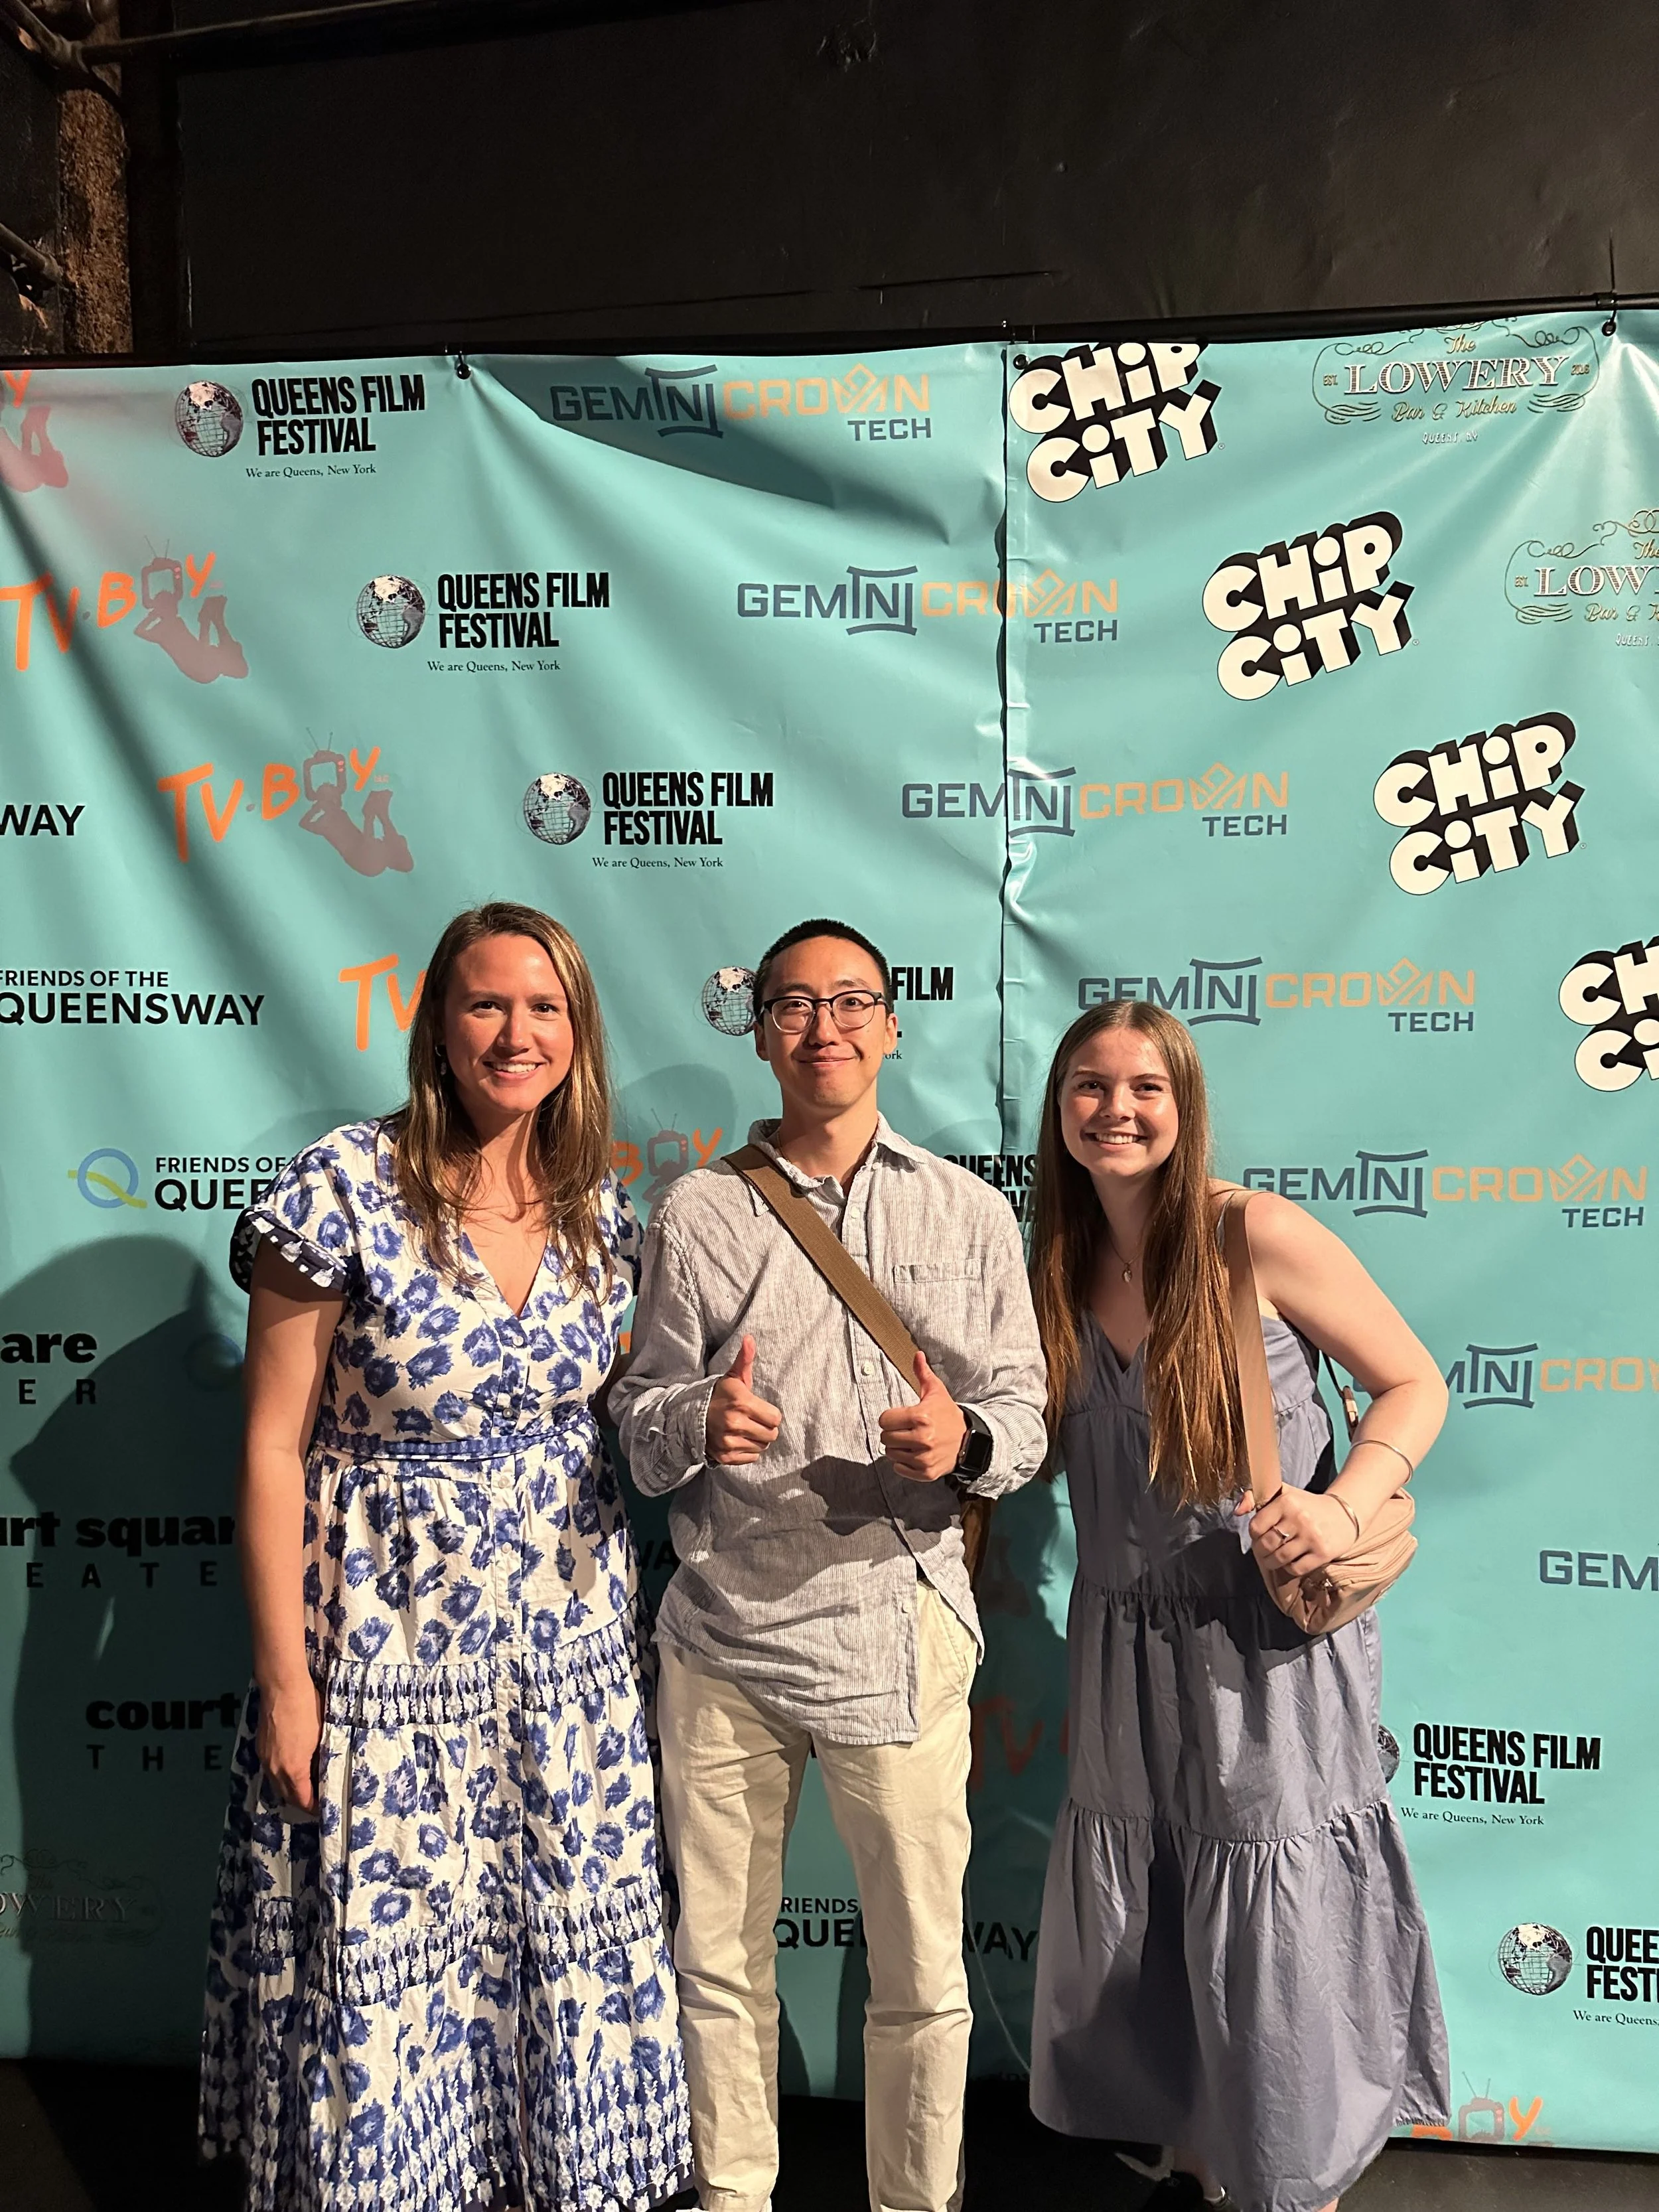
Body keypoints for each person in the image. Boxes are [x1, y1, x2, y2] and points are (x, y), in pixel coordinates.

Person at [200, 901, 693, 2212]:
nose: (515, 1034)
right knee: (398, 1948)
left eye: (544, 1008)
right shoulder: (342, 1189)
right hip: (385, 1649)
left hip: (568, 1657)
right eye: (486, 1004)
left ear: (577, 1032)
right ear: (438, 1025)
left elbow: (618, 1409)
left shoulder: (600, 1207)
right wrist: (288, 1684)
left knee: (553, 1931)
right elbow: (270, 1449)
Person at [611, 918, 1048, 2212]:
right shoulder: (698, 1209)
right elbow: (639, 1419)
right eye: (794, 1004)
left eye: (852, 1001)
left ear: (892, 1026)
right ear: (760, 1034)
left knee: (920, 1970)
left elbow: (1024, 1417)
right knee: (716, 1957)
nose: (825, 1026)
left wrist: (963, 1441)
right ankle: (731, 2192)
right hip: (722, 1631)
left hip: (896, 1623)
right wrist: (699, 1418)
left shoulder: (966, 1209)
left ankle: (915, 2200)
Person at [1026, 1000, 1449, 2212]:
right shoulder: (1056, 1261)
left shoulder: (1250, 1234)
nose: (1116, 1110)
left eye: (1144, 1088)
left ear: (1186, 1104)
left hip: (1259, 1641)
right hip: (1121, 1643)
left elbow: (1414, 1382)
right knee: (1162, 1895)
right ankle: (1208, 2153)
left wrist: (1345, 1507)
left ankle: (1296, 2178)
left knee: (1272, 1895)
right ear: (1059, 1110)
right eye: (1090, 1086)